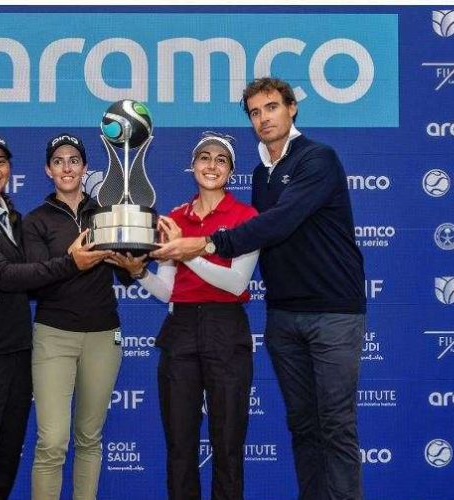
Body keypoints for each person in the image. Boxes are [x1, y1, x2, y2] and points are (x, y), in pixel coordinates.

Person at [151, 78, 366, 500]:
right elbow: (264, 236)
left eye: (271, 107)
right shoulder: (262, 175)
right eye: (255, 112)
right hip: (283, 315)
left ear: (292, 108)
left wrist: (205, 244)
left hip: (333, 312)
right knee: (303, 426)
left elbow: (279, 222)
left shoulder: (317, 158)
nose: (264, 118)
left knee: (336, 425)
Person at [0, 132, 110, 500]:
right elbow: (0, 274)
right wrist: (71, 263)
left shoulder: (11, 217)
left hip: (15, 353)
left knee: (2, 467)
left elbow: (31, 280)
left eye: (0, 162)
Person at [113, 132, 259, 500]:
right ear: (192, 166)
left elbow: (235, 283)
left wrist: (186, 252)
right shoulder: (176, 218)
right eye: (204, 158)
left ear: (231, 172)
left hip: (226, 329)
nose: (212, 165)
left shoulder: (247, 218)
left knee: (228, 445)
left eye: (221, 160)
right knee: (180, 446)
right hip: (180, 330)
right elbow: (167, 290)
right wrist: (139, 273)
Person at [22, 133, 133, 500]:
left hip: (103, 336)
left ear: (85, 167)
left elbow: (126, 275)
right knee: (53, 441)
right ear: (48, 170)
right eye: (58, 161)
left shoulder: (106, 214)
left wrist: (134, 264)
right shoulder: (35, 221)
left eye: (73, 160)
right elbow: (35, 280)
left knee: (89, 438)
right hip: (54, 335)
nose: (66, 167)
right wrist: (72, 261)